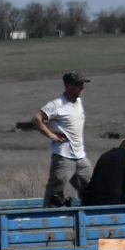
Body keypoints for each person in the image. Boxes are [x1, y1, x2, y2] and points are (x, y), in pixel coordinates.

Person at [34, 72, 90, 206]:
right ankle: (47, 218)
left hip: (80, 156)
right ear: (67, 86)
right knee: (55, 191)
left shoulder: (79, 101)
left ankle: (89, 218)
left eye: (82, 84)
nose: (82, 87)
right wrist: (52, 135)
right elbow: (37, 119)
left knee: (91, 189)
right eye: (78, 84)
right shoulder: (57, 104)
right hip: (64, 156)